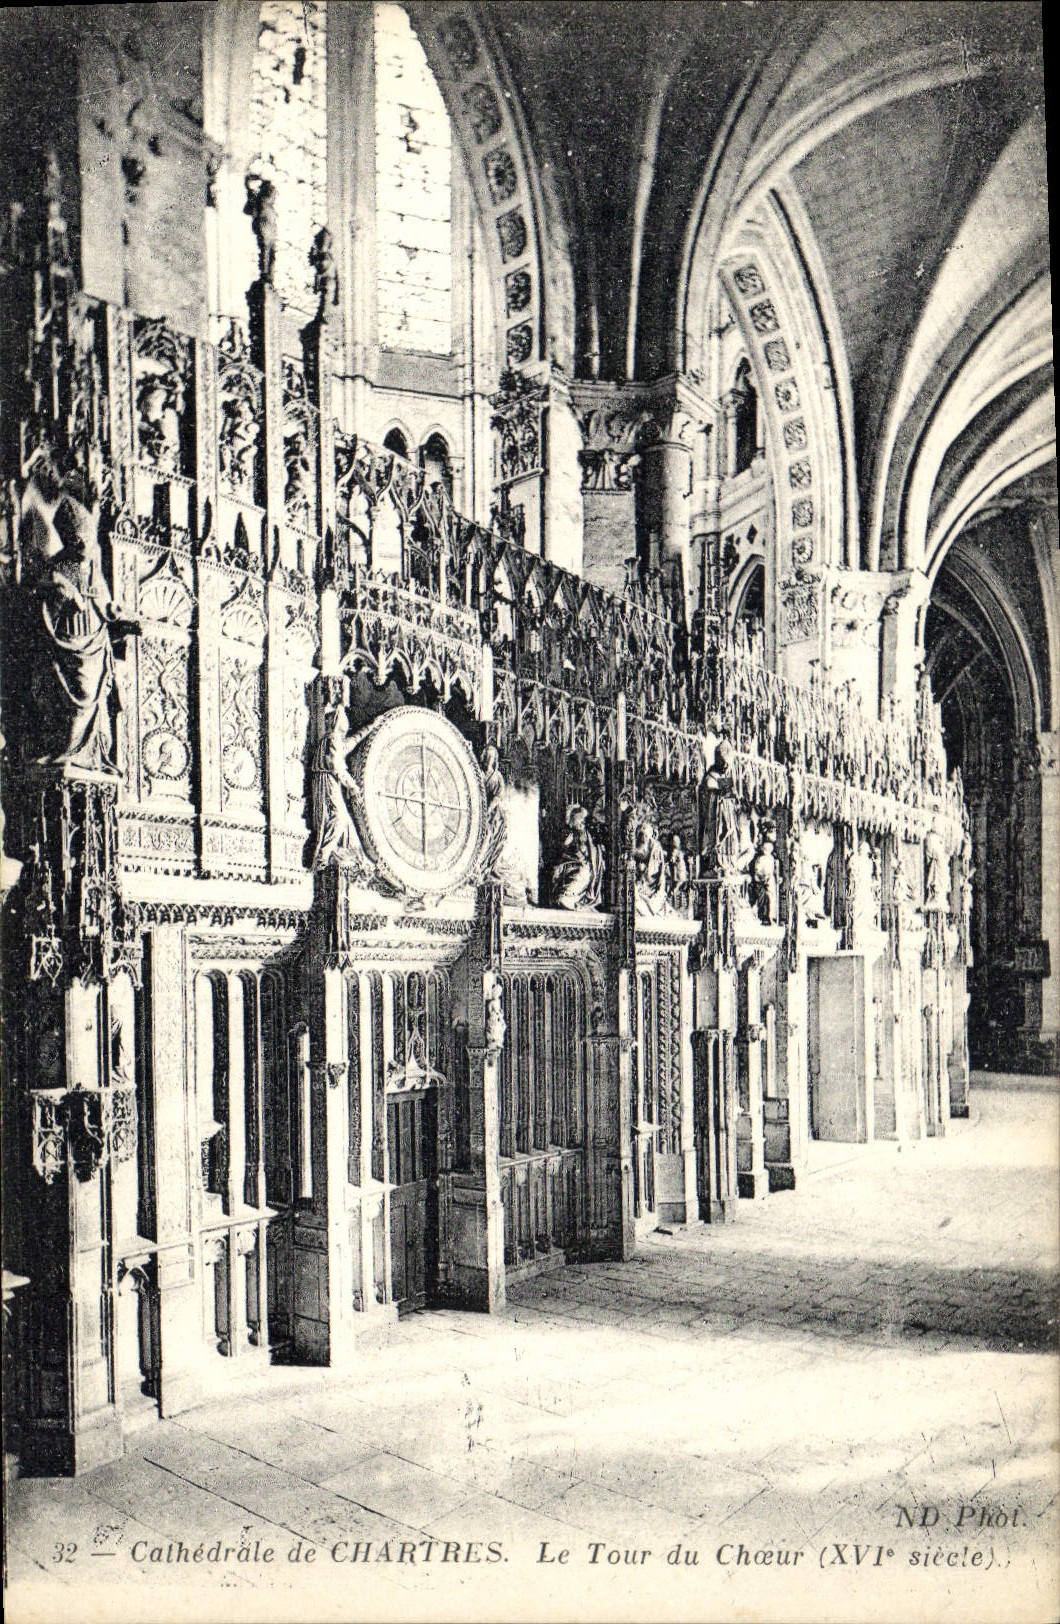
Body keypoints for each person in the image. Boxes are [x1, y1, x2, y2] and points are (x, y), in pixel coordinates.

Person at [34, 496, 138, 775]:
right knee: (75, 693)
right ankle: (66, 751)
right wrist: (59, 591)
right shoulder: (57, 567)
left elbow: (104, 601)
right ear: (68, 539)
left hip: (93, 639)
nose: (84, 546)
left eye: (88, 540)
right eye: (78, 541)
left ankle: (88, 754)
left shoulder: (93, 565)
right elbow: (40, 597)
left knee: (91, 692)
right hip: (67, 640)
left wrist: (114, 611)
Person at [311, 706, 367, 870]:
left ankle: (353, 858)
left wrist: (371, 726)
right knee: (339, 817)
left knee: (345, 821)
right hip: (328, 781)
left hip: (328, 780)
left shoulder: (333, 739)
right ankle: (323, 856)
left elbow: (353, 741)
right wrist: (352, 786)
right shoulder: (333, 738)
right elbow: (336, 767)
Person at [549, 803, 604, 909]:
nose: (581, 824)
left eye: (582, 821)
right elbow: (558, 854)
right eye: (578, 821)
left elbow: (591, 854)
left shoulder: (587, 836)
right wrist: (564, 845)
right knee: (558, 872)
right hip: (567, 864)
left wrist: (583, 855)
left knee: (581, 873)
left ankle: (568, 897)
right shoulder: (568, 834)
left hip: (583, 866)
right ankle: (563, 895)